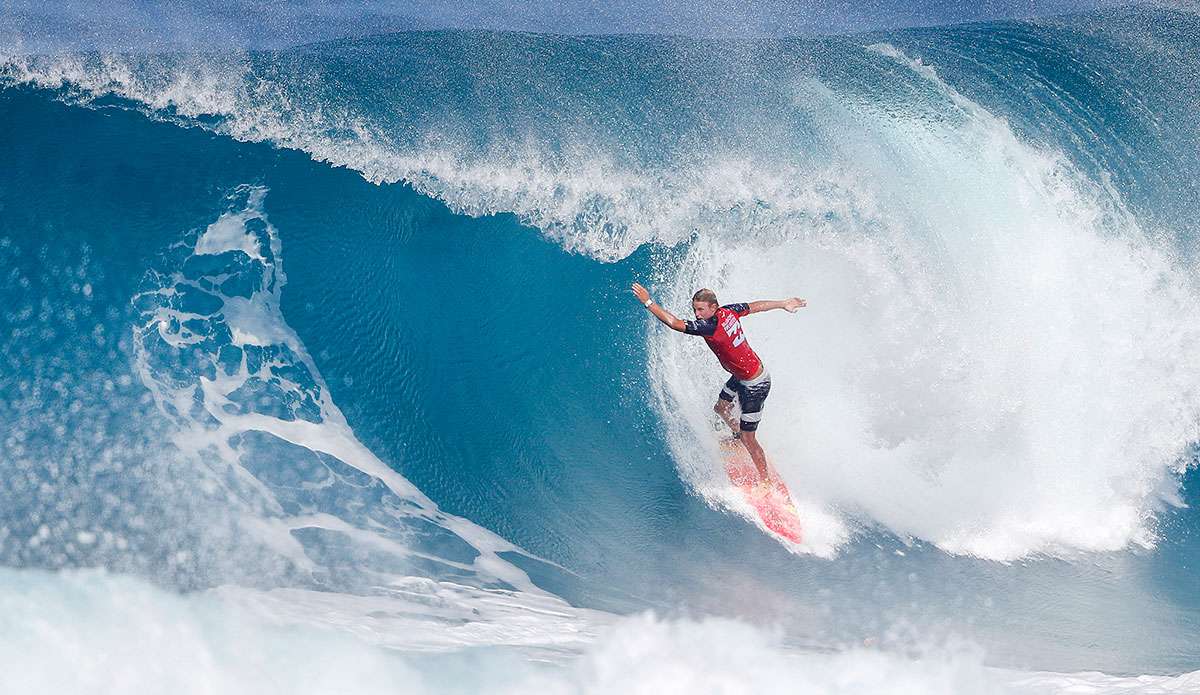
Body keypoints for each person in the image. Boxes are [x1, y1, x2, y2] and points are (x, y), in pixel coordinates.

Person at [631, 283, 805, 488]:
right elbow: (755, 306)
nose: (697, 314)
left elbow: (675, 324)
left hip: (755, 384)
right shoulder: (729, 311)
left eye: (701, 310)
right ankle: (738, 433)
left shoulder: (710, 326)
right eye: (694, 309)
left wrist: (648, 302)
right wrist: (782, 303)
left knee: (750, 438)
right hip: (741, 376)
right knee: (720, 408)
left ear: (713, 308)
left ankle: (766, 481)